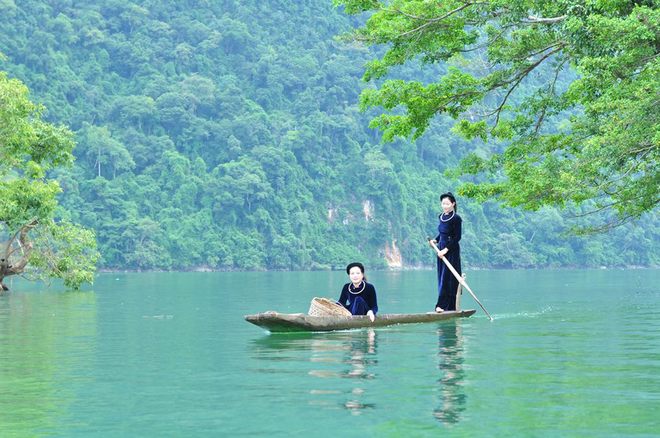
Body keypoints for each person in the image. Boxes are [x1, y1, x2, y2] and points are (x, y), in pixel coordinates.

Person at [429, 192, 462, 312]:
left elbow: (457, 237)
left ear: (453, 204)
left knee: (448, 278)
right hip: (441, 249)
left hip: (451, 250)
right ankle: (445, 306)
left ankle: (443, 306)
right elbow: (442, 234)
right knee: (441, 277)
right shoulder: (441, 216)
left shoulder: (457, 218)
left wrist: (446, 249)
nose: (445, 206)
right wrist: (435, 240)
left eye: (447, 204)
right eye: (443, 203)